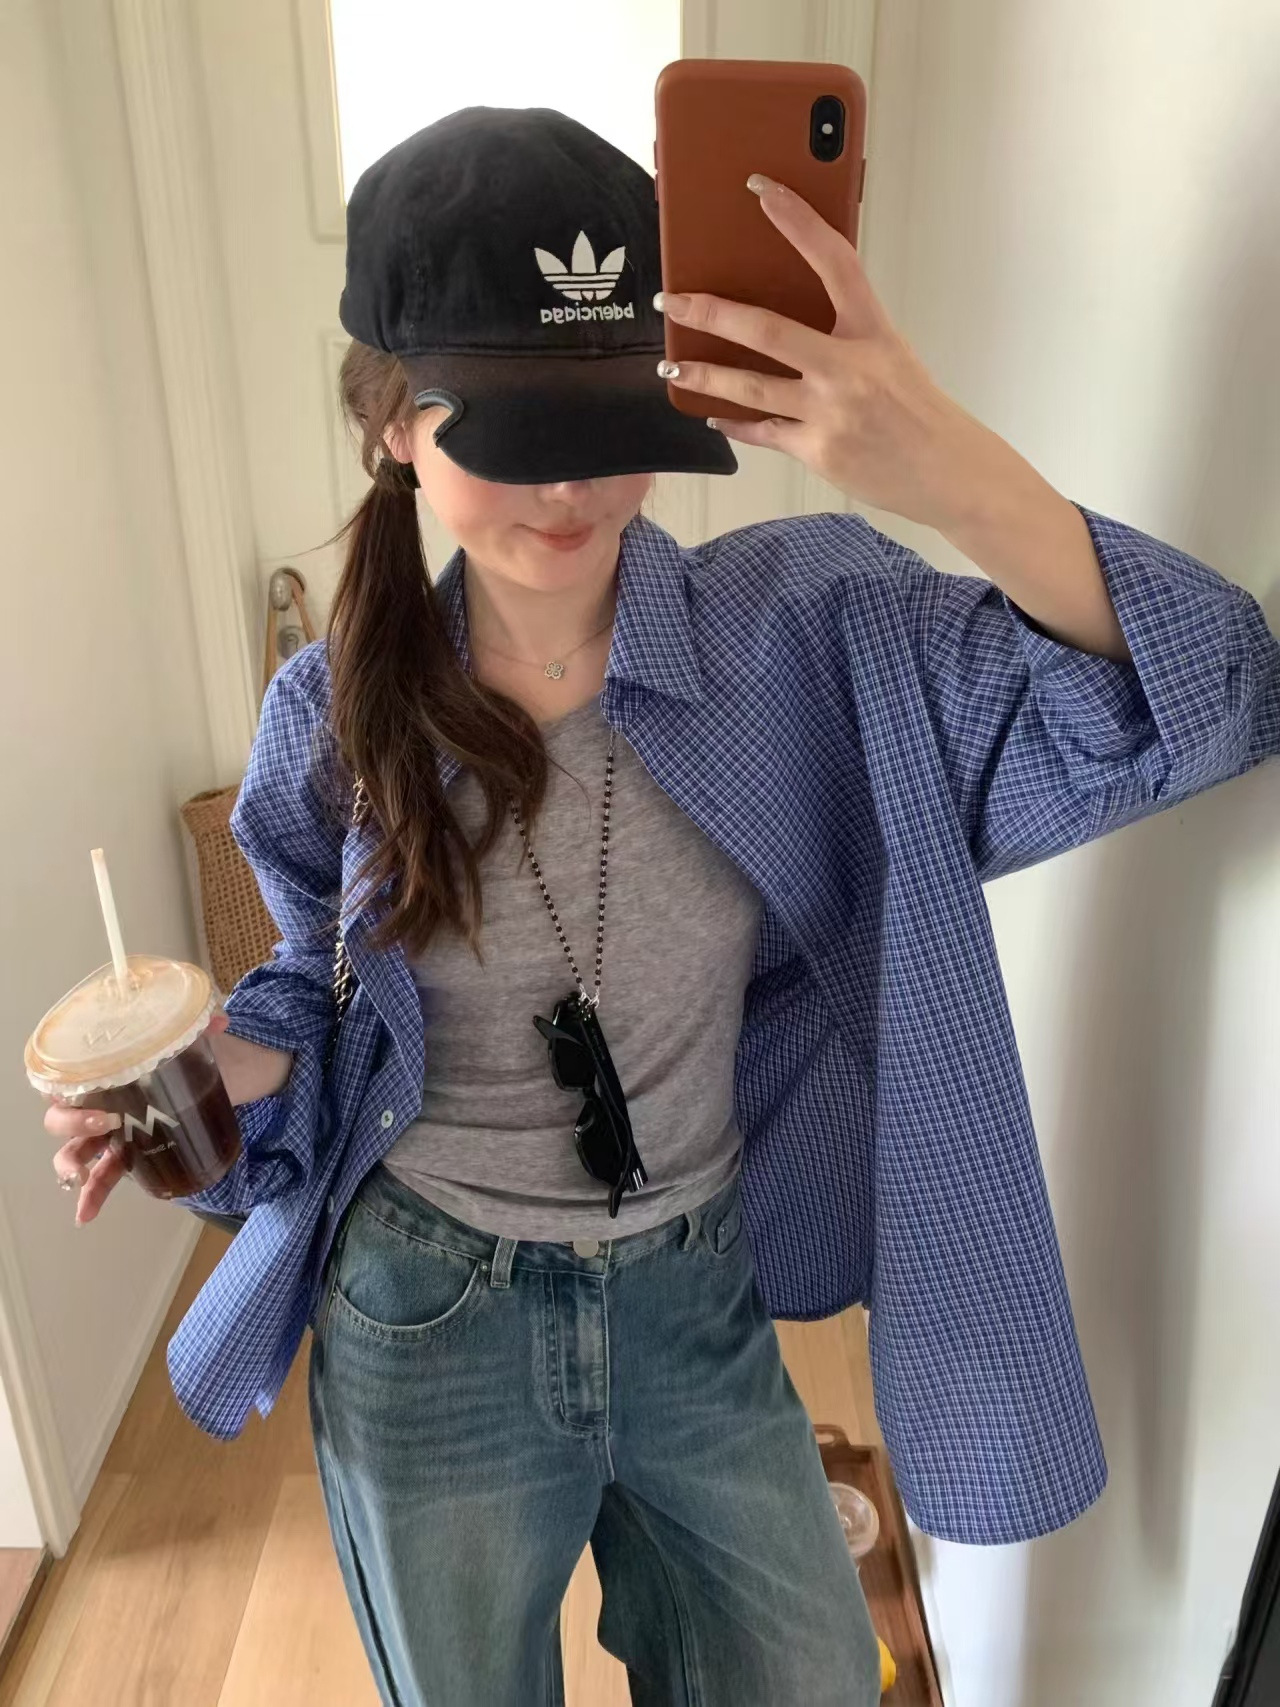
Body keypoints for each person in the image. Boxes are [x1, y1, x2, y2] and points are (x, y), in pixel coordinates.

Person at [44, 106, 1280, 1707]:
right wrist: (218, 1063)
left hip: (699, 1297)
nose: (569, 484)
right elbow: (311, 989)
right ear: (391, 423)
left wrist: (940, 465)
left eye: (612, 414)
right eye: (510, 428)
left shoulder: (812, 635)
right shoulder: (330, 713)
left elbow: (1217, 692)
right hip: (429, 1315)